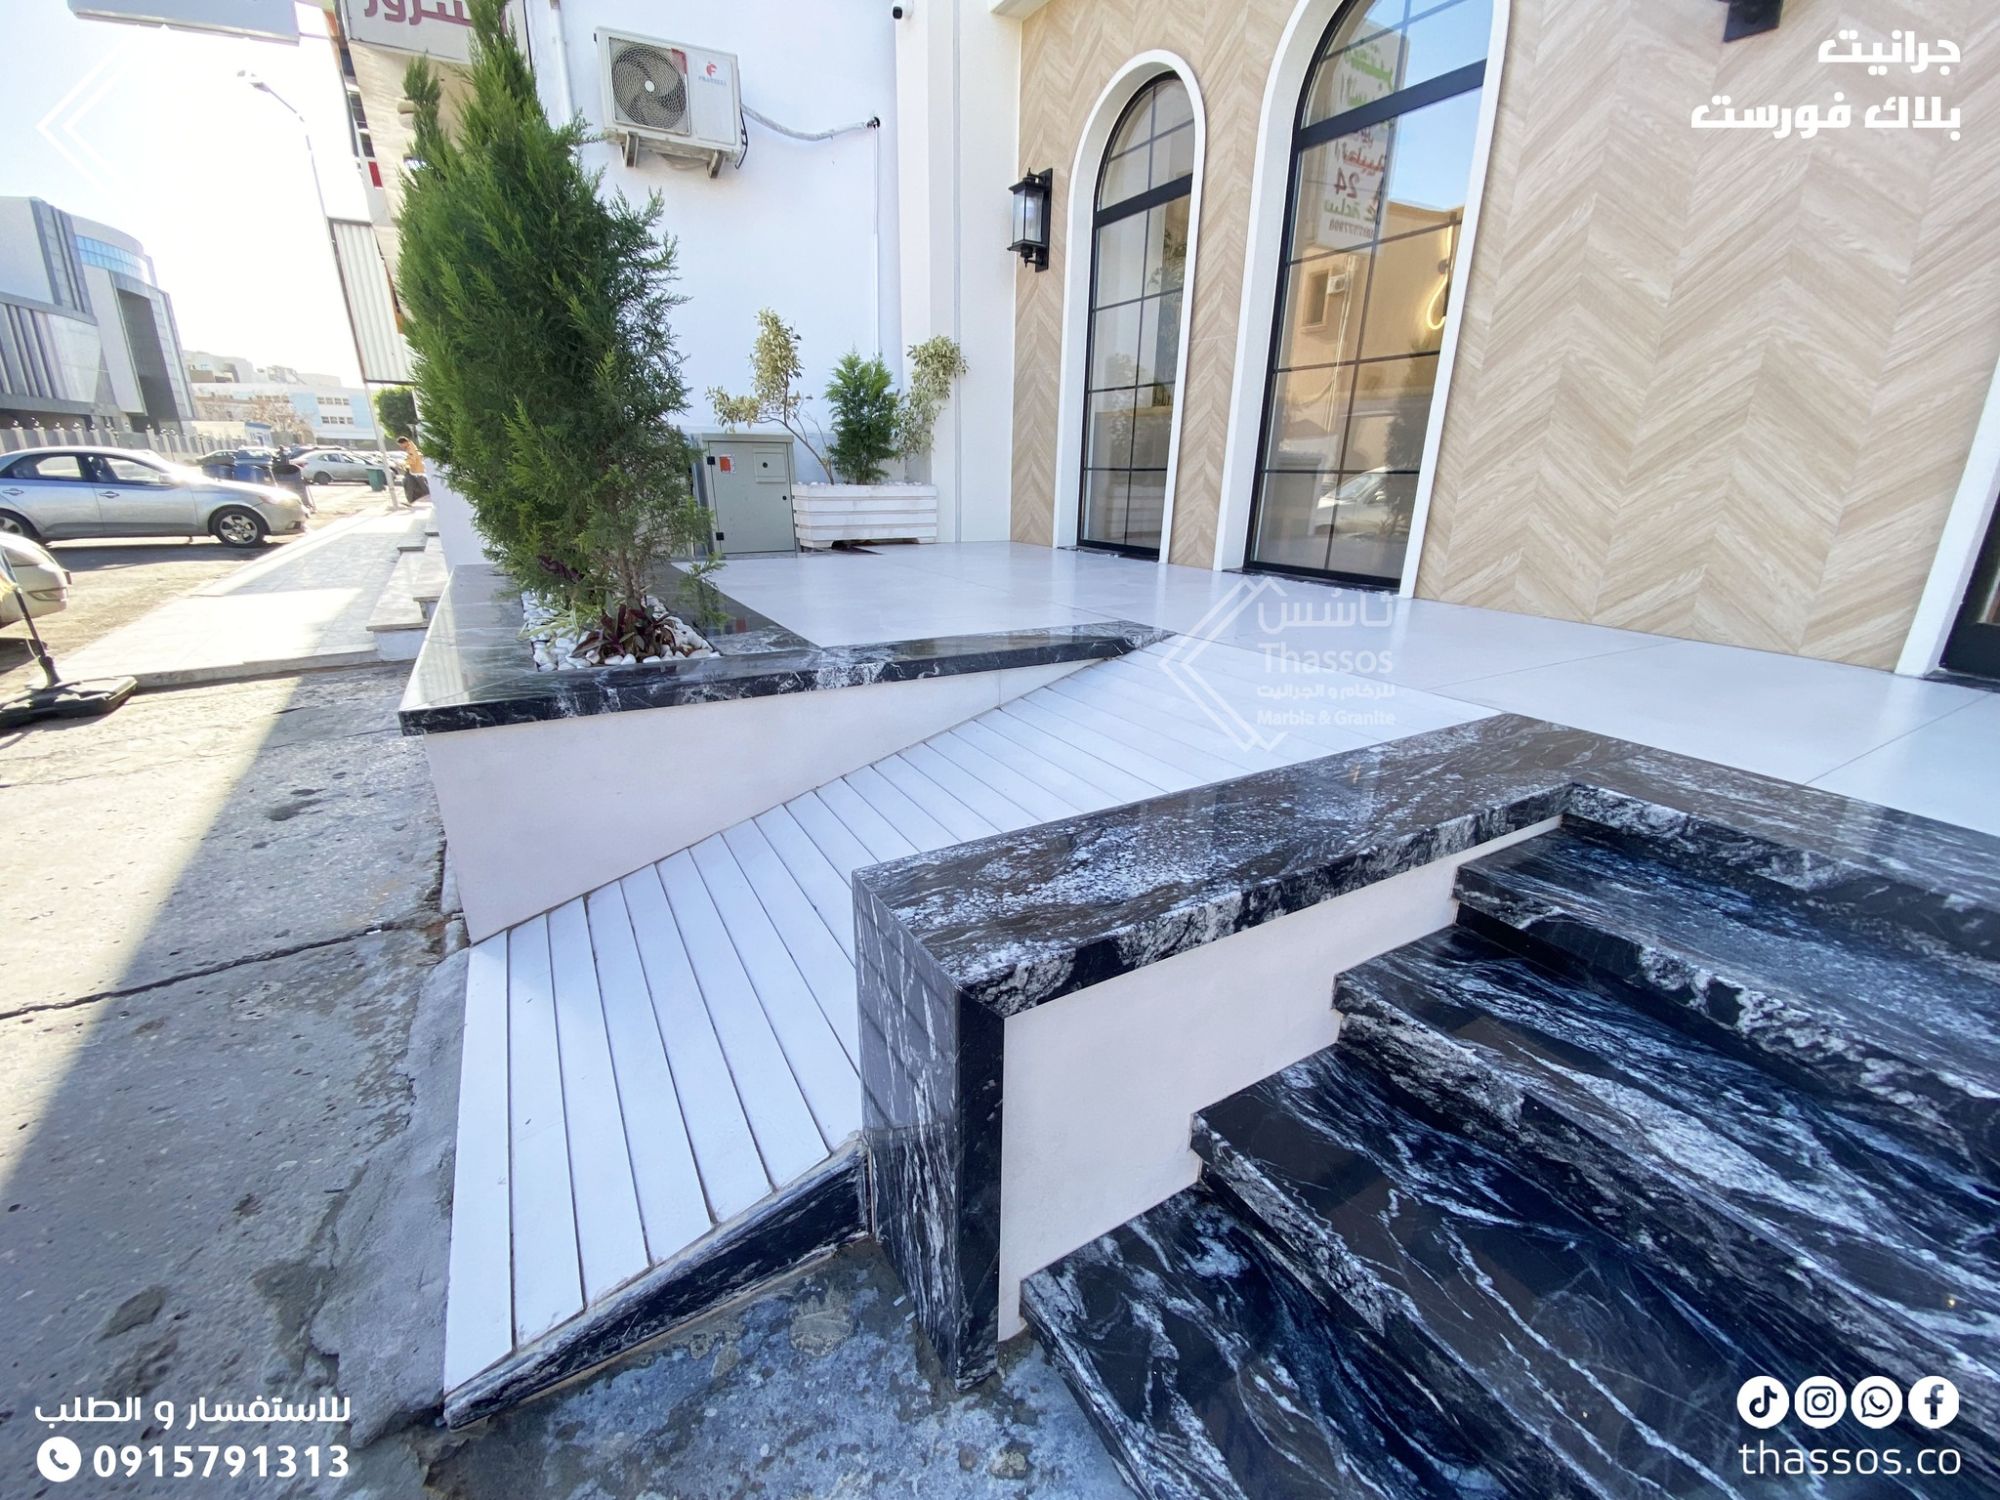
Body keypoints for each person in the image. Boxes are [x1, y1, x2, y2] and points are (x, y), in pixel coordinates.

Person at [396, 436, 430, 509]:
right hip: (414, 470)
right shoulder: (410, 447)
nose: (401, 446)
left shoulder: (411, 449)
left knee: (422, 486)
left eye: (401, 444)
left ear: (405, 442)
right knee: (416, 485)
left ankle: (428, 499)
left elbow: (412, 459)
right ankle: (411, 501)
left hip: (416, 470)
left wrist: (403, 463)